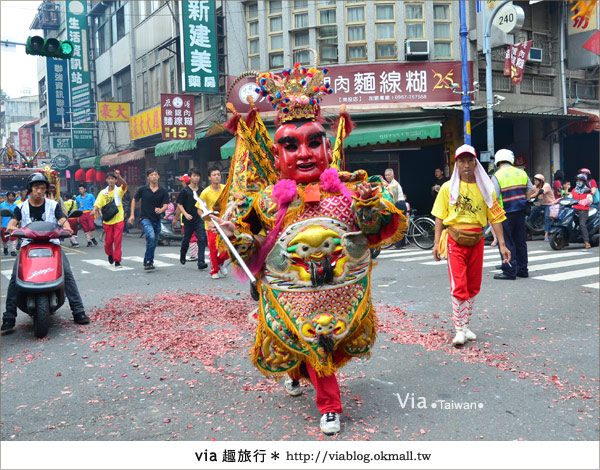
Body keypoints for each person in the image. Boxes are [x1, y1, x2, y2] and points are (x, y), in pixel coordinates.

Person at [210, 64, 406, 435]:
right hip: (292, 293)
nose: (303, 153)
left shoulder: (348, 190)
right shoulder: (266, 201)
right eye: (290, 144)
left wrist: (368, 206)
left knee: (321, 344)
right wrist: (235, 234)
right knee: (311, 343)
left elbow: (373, 232)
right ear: (275, 152)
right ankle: (329, 404)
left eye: (313, 142)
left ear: (327, 148)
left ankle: (309, 383)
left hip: (337, 292)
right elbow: (250, 251)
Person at [432, 144, 510, 346]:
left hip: (477, 240)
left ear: (476, 163)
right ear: (456, 164)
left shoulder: (486, 188)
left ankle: (466, 326)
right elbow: (440, 217)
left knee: (473, 286)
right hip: (455, 240)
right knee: (459, 285)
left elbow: (495, 218)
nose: (466, 165)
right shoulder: (448, 188)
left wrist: (502, 245)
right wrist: (435, 244)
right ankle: (459, 329)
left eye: (469, 160)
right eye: (462, 161)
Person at [1, 173, 90, 332]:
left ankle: (78, 311)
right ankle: (9, 318)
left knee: (67, 274)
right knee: (15, 278)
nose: (39, 191)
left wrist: (67, 227)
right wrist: (11, 227)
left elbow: (61, 219)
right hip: (28, 245)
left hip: (52, 243)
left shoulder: (53, 205)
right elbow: (14, 220)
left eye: (42, 188)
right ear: (30, 189)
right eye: (36, 187)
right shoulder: (20, 206)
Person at [491, 149, 538, 280]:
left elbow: (493, 195)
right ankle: (522, 269)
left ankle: (509, 271)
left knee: (507, 241)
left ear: (498, 161)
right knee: (520, 241)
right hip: (521, 211)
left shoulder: (497, 176)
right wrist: (523, 199)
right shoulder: (521, 173)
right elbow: (531, 189)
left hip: (505, 213)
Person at [128, 168, 169, 270]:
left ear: (158, 176)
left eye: (155, 174)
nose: (154, 176)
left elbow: (166, 205)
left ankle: (149, 260)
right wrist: (132, 215)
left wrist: (161, 209)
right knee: (151, 237)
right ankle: (148, 260)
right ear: (148, 177)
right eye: (151, 175)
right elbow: (134, 200)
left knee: (154, 241)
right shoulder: (143, 189)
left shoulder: (163, 191)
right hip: (145, 218)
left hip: (157, 219)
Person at [198, 167, 229, 279]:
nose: (217, 176)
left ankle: (220, 261)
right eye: (214, 175)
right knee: (213, 249)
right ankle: (214, 270)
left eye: (218, 174)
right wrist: (208, 222)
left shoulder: (225, 189)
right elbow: (199, 209)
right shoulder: (205, 192)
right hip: (212, 225)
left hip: (225, 223)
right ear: (209, 177)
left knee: (230, 248)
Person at [93, 170, 128, 268]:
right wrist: (94, 210)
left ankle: (117, 260)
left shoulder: (119, 190)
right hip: (107, 220)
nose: (110, 180)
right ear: (106, 180)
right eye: (109, 178)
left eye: (112, 178)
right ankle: (110, 254)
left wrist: (119, 176)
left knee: (117, 241)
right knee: (108, 242)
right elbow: (98, 203)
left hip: (119, 219)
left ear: (116, 180)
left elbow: (125, 185)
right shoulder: (102, 192)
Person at [176, 168, 207, 270]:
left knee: (202, 239)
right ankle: (183, 254)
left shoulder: (202, 190)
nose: (196, 178)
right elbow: (179, 204)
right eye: (194, 176)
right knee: (187, 238)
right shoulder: (185, 191)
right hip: (188, 219)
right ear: (189, 178)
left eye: (197, 176)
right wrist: (185, 214)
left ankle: (201, 262)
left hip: (199, 219)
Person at [529, 174, 555, 241]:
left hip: (550, 204)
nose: (535, 182)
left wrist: (530, 197)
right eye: (534, 180)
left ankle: (546, 234)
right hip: (542, 204)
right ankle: (532, 230)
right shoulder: (535, 186)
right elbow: (530, 192)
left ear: (541, 181)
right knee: (533, 213)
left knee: (547, 217)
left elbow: (540, 192)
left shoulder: (546, 185)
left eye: (536, 180)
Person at [571, 173, 593, 249]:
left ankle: (586, 242)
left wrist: (583, 201)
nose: (578, 182)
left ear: (584, 182)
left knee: (582, 224)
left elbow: (590, 200)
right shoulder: (574, 190)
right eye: (577, 180)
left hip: (583, 210)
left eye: (580, 180)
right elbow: (569, 197)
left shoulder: (587, 190)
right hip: (574, 209)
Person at [1, 191, 18, 256]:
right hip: (4, 225)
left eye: (12, 196)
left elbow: (18, 215)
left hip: (13, 225)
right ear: (7, 197)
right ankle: (5, 247)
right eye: (9, 196)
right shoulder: (2, 205)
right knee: (4, 239)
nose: (11, 197)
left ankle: (13, 250)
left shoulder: (16, 206)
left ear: (14, 197)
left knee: (13, 238)